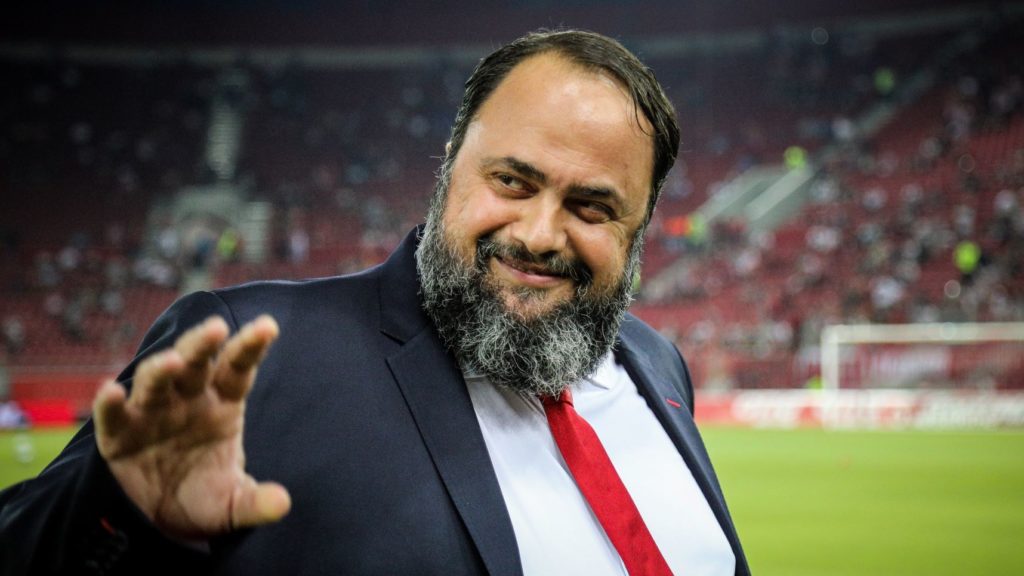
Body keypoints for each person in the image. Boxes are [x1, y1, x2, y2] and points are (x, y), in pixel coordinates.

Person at [0, 30, 749, 575]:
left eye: (591, 207)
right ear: (449, 167)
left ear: (638, 228)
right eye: (512, 181)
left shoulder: (655, 363)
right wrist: (119, 513)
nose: (539, 234)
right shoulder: (255, 354)